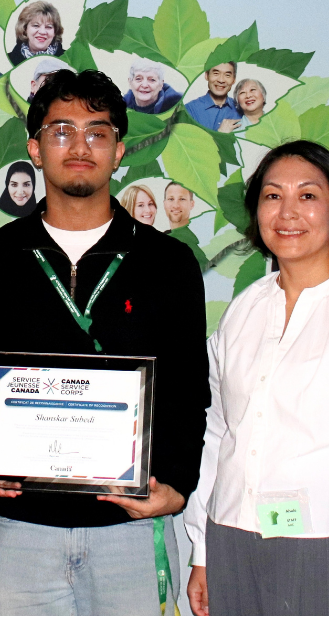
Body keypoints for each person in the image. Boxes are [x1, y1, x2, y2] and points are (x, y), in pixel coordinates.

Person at [0, 69, 210, 616]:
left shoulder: (168, 263)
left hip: (131, 530)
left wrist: (178, 483)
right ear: (35, 148)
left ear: (118, 151)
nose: (79, 147)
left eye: (97, 133)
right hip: (20, 530)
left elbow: (189, 387)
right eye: (61, 131)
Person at [184, 140, 329, 616]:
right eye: (272, 196)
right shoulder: (244, 309)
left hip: (318, 540)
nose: (288, 213)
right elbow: (217, 433)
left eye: (308, 195)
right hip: (232, 536)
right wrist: (202, 551)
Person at [186, 62, 241, 132]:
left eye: (227, 75)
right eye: (216, 73)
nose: (221, 80)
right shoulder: (189, 110)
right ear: (206, 75)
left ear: (234, 80)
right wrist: (220, 134)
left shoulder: (241, 109)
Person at [8, 1, 65, 66]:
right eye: (36, 25)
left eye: (48, 27)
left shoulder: (69, 62)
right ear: (25, 28)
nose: (42, 32)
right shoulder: (6, 62)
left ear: (55, 31)